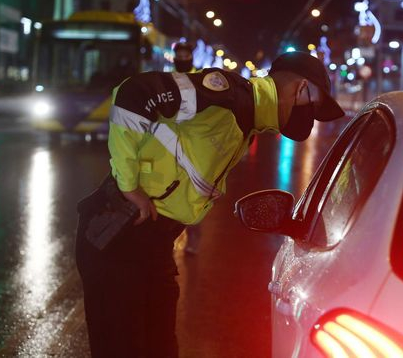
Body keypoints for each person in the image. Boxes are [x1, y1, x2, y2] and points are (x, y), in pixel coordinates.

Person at [75, 51, 345, 357]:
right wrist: (129, 187)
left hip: (153, 243)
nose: (307, 118)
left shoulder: (248, 119)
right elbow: (133, 94)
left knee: (160, 348)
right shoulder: (227, 96)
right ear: (300, 89)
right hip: (119, 237)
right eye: (312, 105)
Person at [172, 41, 201, 253]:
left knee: (193, 197)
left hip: (194, 148)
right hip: (169, 146)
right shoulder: (166, 80)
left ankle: (193, 240)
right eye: (178, 57)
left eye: (185, 56)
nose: (182, 60)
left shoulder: (200, 80)